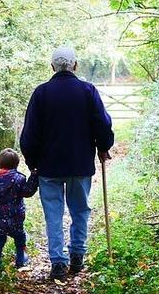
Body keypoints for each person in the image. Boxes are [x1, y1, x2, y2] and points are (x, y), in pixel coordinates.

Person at [20, 46, 114, 281]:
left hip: (49, 167)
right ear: (75, 65)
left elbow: (30, 133)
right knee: (80, 209)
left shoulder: (41, 93)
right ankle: (77, 256)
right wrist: (104, 146)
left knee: (53, 214)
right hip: (80, 164)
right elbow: (102, 124)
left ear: (52, 67)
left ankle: (58, 262)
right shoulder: (87, 90)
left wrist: (32, 162)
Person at [0, 148, 39, 268]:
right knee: (20, 237)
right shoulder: (18, 179)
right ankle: (21, 259)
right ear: (16, 165)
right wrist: (34, 176)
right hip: (15, 217)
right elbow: (27, 192)